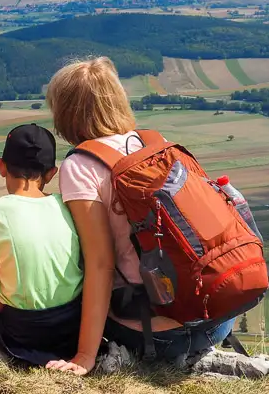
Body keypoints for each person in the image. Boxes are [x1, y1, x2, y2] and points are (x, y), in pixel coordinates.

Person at [46, 57, 235, 376]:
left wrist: (84, 357)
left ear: (66, 112)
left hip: (159, 337)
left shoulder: (80, 167)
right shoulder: (155, 144)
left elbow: (100, 264)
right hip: (217, 319)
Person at [0, 124, 83, 365]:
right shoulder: (67, 205)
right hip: (72, 326)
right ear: (51, 173)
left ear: (1, 166)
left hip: (23, 332)